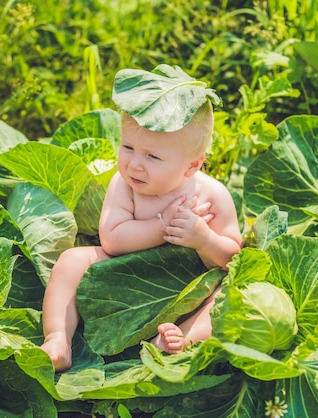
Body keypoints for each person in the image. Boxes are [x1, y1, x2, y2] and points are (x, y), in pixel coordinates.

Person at [40, 72, 243, 372]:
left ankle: (183, 338)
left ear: (192, 165)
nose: (135, 164)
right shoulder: (125, 185)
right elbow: (111, 240)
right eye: (128, 148)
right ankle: (58, 339)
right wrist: (163, 226)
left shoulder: (212, 195)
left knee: (231, 293)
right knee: (72, 261)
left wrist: (204, 240)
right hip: (126, 275)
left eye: (152, 156)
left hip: (188, 288)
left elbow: (232, 259)